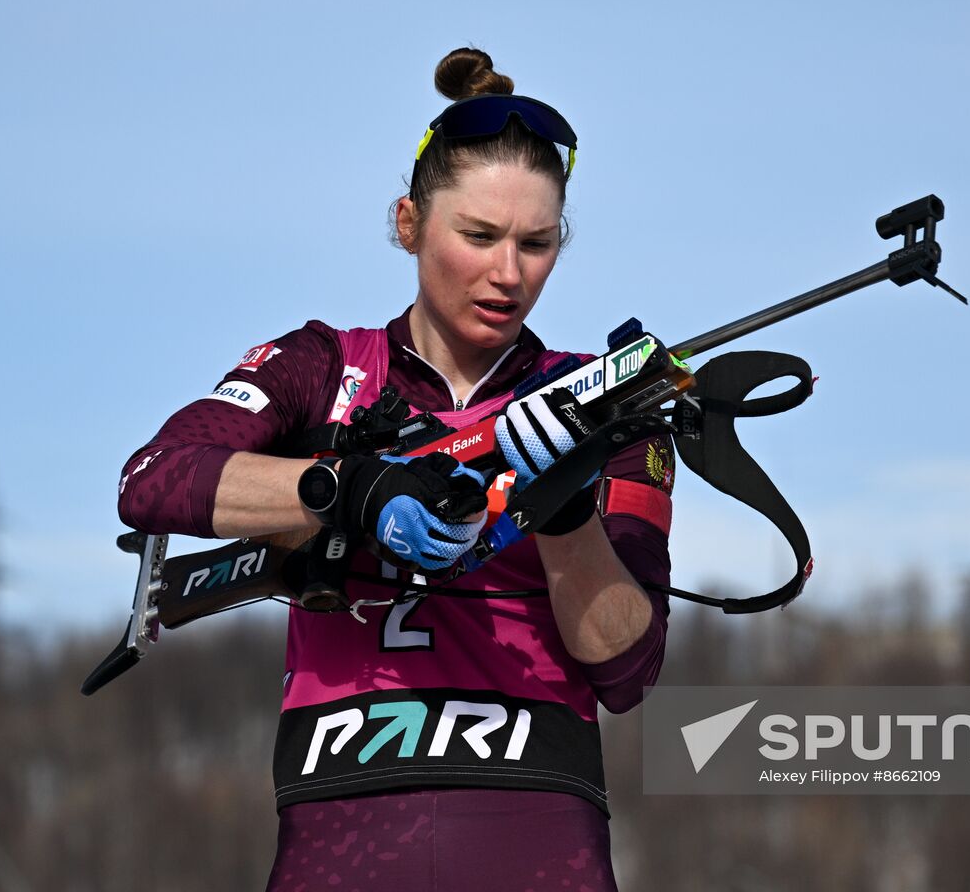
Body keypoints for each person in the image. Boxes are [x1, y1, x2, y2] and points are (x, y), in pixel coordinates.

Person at [117, 47, 675, 892]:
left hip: (536, 827)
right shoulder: (322, 367)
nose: (508, 273)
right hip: (340, 828)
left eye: (536, 243)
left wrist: (562, 510)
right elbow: (154, 478)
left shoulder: (598, 402)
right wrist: (347, 489)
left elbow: (628, 670)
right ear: (410, 223)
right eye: (478, 236)